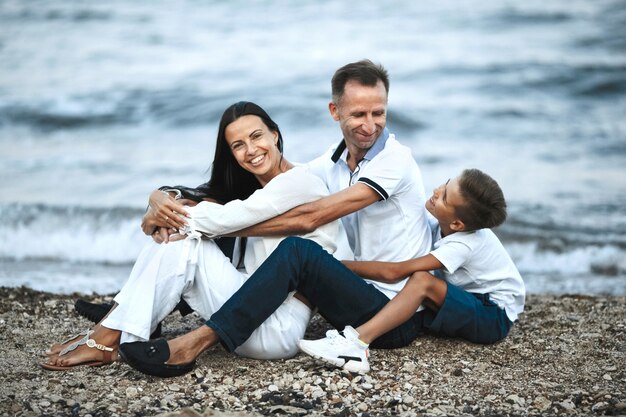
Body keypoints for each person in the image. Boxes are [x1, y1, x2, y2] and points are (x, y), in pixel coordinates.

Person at [117, 59, 434, 377]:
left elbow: (311, 217)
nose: (370, 124)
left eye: (378, 112)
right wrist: (163, 198)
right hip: (349, 295)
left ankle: (198, 340)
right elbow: (266, 192)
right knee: (259, 241)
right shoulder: (329, 164)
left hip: (395, 314)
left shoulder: (395, 160)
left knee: (299, 250)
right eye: (358, 114)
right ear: (335, 112)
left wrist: (220, 226)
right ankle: (121, 323)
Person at [41, 101, 339, 371]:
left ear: (274, 134)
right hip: (247, 311)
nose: (250, 150)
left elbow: (227, 218)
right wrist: (161, 201)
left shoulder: (298, 182)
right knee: (181, 241)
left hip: (277, 328)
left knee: (186, 243)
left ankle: (106, 336)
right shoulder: (254, 190)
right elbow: (201, 200)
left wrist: (159, 217)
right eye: (238, 145)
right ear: (232, 154)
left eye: (256, 136)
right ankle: (112, 337)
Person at [298, 169, 526, 372]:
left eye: (445, 197)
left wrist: (331, 265)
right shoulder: (443, 224)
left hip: (494, 316)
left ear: (457, 224)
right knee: (401, 303)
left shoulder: (463, 245)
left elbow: (396, 272)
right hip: (473, 299)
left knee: (422, 281)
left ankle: (356, 343)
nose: (437, 191)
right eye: (445, 184)